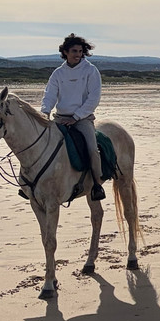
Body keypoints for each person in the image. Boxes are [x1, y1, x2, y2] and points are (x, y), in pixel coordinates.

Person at [40, 33, 106, 201]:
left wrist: (77, 117)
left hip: (82, 119)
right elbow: (50, 95)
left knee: (92, 149)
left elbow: (94, 98)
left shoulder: (90, 71)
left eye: (80, 51)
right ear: (65, 52)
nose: (77, 54)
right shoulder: (58, 73)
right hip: (60, 117)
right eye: (74, 51)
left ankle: (96, 185)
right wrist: (45, 112)